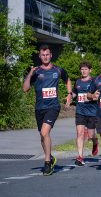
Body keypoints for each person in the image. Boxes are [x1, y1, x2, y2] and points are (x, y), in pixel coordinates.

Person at [23, 45, 72, 176]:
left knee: (45, 132)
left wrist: (69, 94)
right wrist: (30, 74)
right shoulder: (36, 71)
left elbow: (67, 80)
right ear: (40, 56)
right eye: (42, 55)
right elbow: (25, 88)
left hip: (53, 107)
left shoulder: (58, 70)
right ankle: (50, 157)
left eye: (47, 54)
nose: (45, 57)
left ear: (51, 55)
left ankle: (47, 164)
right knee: (42, 136)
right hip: (39, 108)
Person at [72, 62, 99, 166]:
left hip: (92, 112)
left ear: (90, 70)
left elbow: (97, 96)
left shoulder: (94, 82)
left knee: (91, 134)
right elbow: (75, 93)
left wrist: (91, 96)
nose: (83, 71)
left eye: (86, 69)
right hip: (80, 111)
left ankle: (95, 142)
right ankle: (80, 157)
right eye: (82, 69)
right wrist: (69, 97)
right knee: (80, 133)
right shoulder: (78, 81)